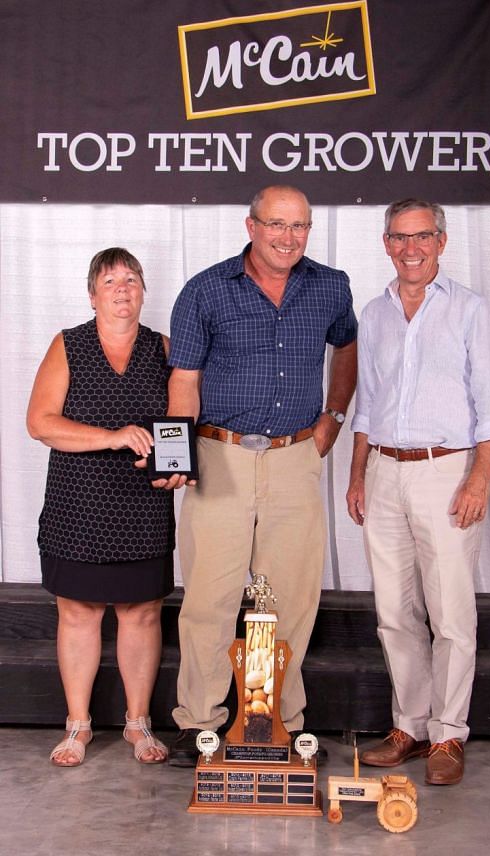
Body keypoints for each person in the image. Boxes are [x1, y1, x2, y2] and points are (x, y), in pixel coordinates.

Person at [161, 185, 357, 765]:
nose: (288, 237)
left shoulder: (330, 287)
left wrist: (334, 416)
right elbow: (183, 380)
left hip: (296, 458)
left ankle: (279, 723)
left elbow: (345, 350)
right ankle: (199, 722)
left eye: (299, 226)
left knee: (288, 601)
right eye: (277, 225)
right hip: (220, 458)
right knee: (210, 599)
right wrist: (177, 459)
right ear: (251, 226)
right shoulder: (205, 290)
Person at [346, 199, 490, 785]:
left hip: (448, 472)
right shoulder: (375, 313)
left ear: (441, 241)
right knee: (393, 611)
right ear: (386, 243)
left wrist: (479, 477)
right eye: (399, 238)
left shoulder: (470, 311)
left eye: (422, 237)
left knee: (451, 613)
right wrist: (359, 472)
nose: (410, 249)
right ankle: (410, 727)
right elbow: (367, 402)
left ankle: (448, 735)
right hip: (385, 471)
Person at [27, 248, 175, 766]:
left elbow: (183, 424)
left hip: (143, 506)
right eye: (110, 280)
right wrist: (111, 437)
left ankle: (138, 724)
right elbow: (41, 422)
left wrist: (181, 464)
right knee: (78, 613)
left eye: (132, 279)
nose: (122, 288)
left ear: (143, 292)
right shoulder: (68, 345)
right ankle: (78, 725)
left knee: (142, 614)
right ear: (92, 295)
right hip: (77, 506)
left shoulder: (164, 348)